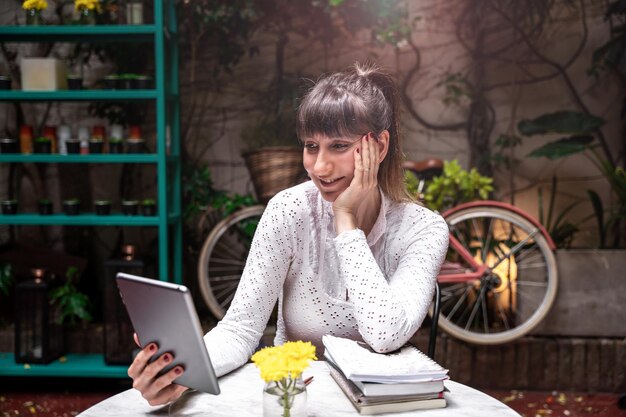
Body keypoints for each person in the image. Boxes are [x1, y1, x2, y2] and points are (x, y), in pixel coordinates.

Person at [128, 62, 449, 405]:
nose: (320, 167)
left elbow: (385, 335)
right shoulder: (289, 210)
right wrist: (181, 371)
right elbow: (240, 330)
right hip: (292, 402)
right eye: (312, 146)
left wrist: (345, 218)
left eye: (338, 146)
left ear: (379, 147)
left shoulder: (423, 230)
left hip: (384, 409)